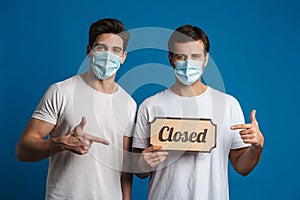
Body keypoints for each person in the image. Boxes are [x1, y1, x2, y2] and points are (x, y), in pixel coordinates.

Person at [133, 24, 264, 200]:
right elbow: (140, 172)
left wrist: (257, 147)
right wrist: (142, 163)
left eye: (195, 56)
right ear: (171, 59)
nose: (188, 63)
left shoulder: (228, 105)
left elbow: (242, 167)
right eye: (181, 56)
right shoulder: (149, 106)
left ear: (205, 59)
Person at [16, 18, 136, 200]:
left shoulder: (129, 104)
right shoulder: (61, 92)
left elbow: (125, 167)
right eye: (101, 48)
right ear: (89, 51)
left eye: (116, 50)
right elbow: (23, 150)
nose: (108, 55)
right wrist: (59, 144)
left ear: (123, 57)